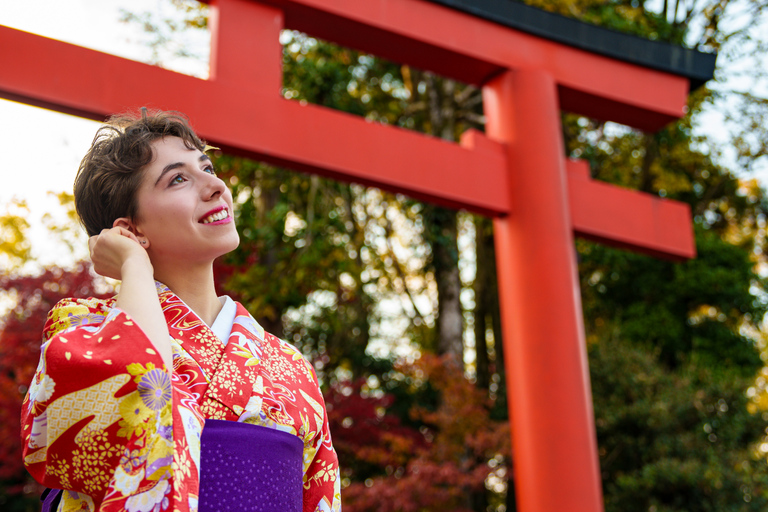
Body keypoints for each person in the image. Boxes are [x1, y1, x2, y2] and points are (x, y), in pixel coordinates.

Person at [20, 110, 341, 512]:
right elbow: (129, 421)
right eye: (178, 178)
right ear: (130, 230)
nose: (216, 186)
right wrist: (133, 265)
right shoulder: (82, 330)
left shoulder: (291, 365)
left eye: (207, 167)